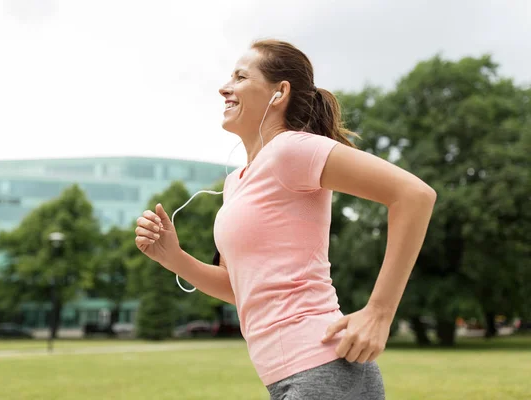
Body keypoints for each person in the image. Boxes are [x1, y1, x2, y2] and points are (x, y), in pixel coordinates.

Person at [135, 39, 436, 399]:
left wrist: (379, 312)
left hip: (323, 366)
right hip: (289, 375)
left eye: (240, 77)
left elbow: (415, 195)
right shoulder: (236, 182)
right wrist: (175, 258)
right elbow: (240, 287)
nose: (224, 87)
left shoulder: (291, 149)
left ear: (279, 93)